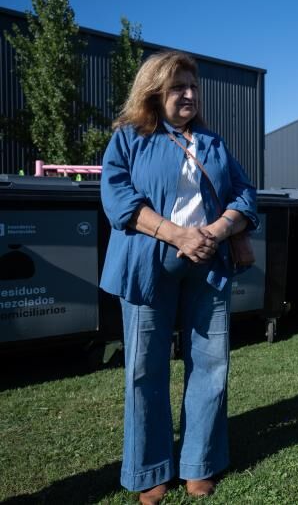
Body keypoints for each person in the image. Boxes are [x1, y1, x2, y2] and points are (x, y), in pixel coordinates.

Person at [100, 51, 257, 504]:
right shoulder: (129, 139)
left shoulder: (212, 141)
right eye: (177, 87)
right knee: (144, 370)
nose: (188, 95)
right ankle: (149, 468)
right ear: (153, 92)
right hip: (146, 266)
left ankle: (199, 463)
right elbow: (118, 201)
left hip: (208, 266)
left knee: (211, 364)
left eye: (192, 86)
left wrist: (215, 230)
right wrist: (175, 235)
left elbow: (245, 195)